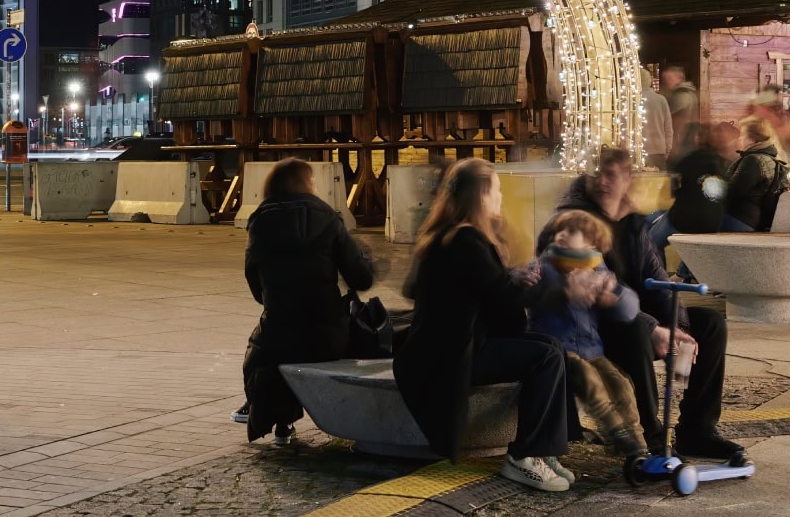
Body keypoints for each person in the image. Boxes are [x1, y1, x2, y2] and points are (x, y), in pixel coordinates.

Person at [538, 147, 746, 464]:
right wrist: (652, 328)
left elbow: (656, 279)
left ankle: (697, 430)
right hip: (591, 328)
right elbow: (593, 289)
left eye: (611, 175)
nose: (602, 181)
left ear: (627, 181)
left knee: (710, 324)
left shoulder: (633, 225)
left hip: (632, 315)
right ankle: (652, 436)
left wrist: (679, 328)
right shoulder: (572, 221)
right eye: (597, 173)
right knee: (635, 328)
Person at [395, 158, 571, 493]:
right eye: (497, 190)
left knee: (551, 347)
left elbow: (479, 287)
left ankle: (544, 450)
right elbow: (503, 301)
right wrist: (549, 283)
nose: (501, 197)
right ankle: (523, 456)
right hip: (452, 356)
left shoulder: (450, 235)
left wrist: (508, 275)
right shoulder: (466, 241)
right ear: (481, 197)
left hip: (452, 346)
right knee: (545, 357)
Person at [242, 157, 374, 446]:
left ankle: (280, 422)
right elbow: (360, 277)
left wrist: (275, 299)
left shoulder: (259, 221)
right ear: (305, 183)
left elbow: (254, 279)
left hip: (280, 328)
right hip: (329, 332)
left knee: (264, 347)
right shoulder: (328, 216)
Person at [526, 209, 644, 458]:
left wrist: (614, 297)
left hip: (592, 349)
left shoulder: (598, 271)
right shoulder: (545, 267)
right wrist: (565, 290)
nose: (562, 235)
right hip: (559, 350)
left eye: (571, 231)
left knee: (621, 383)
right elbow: (531, 291)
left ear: (590, 242)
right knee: (590, 380)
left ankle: (636, 440)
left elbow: (630, 309)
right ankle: (615, 432)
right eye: (560, 230)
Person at [647, 125, 728, 263]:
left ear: (696, 139)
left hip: (686, 219)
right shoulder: (723, 162)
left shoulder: (687, 161)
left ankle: (659, 280)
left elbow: (673, 191)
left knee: (652, 241)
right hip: (714, 221)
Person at [723, 116, 790, 231]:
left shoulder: (753, 160)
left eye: (742, 135)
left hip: (740, 219)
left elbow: (732, 192)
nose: (739, 139)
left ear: (753, 139)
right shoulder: (768, 157)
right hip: (751, 219)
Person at [661, 67, 699, 157]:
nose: (666, 82)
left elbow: (674, 121)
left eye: (669, 78)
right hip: (688, 138)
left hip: (681, 140)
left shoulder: (681, 96)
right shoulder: (689, 93)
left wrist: (673, 144)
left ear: (680, 78)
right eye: (665, 79)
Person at [641, 68, 673, 170]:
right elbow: (668, 129)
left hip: (636, 151)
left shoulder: (630, 101)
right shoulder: (661, 100)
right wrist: (667, 150)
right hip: (658, 150)